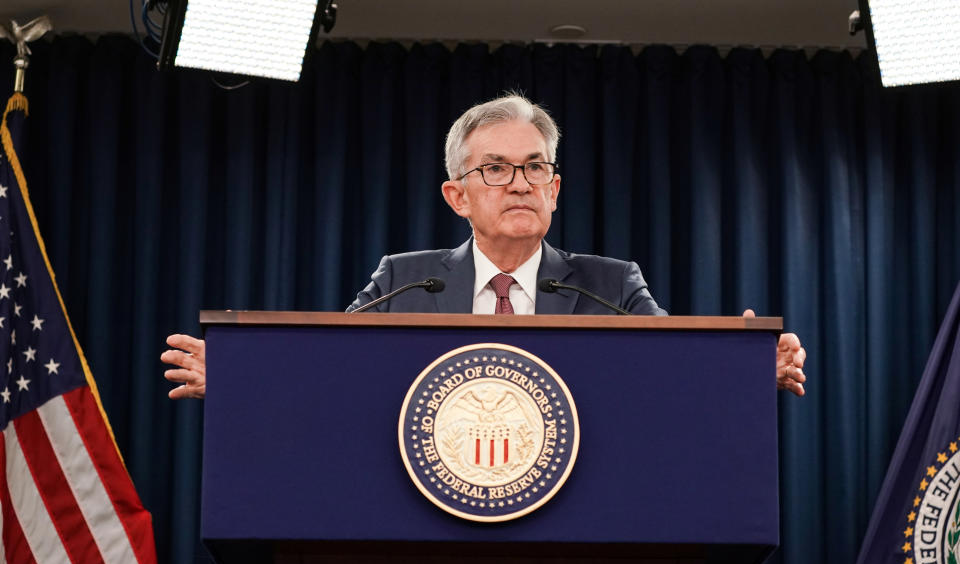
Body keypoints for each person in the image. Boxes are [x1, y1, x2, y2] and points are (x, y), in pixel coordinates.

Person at [162, 94, 806, 398]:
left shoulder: (611, 286)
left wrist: (743, 368)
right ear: (457, 196)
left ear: (556, 190)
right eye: (495, 168)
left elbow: (671, 372)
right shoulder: (403, 282)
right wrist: (242, 379)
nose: (519, 183)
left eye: (534, 168)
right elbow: (333, 367)